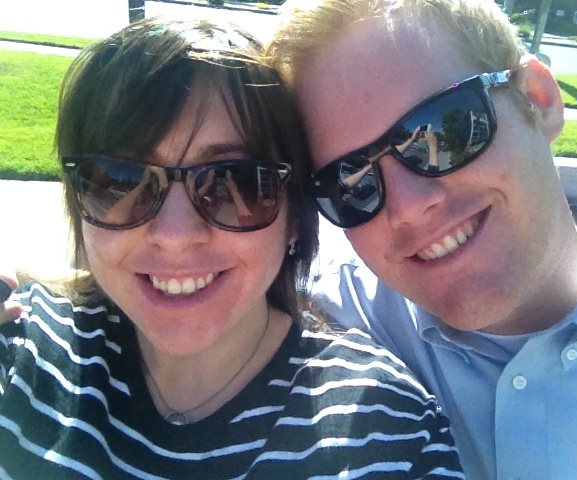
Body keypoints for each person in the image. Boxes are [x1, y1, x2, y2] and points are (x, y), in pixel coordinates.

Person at [0, 18, 465, 479]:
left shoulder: (390, 435)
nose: (175, 234)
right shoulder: (20, 344)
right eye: (121, 180)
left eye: (235, 182)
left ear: (295, 219)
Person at [266, 0, 577, 478]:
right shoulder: (331, 316)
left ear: (538, 100)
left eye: (442, 133)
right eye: (350, 184)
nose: (408, 207)